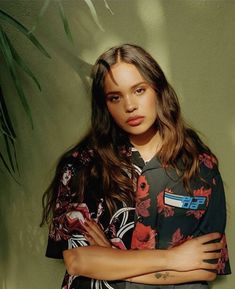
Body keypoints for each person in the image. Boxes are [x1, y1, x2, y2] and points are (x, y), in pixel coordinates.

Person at [41, 44, 231, 289]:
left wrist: (112, 259)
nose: (129, 106)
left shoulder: (200, 166)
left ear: (158, 89)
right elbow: (78, 261)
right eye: (115, 97)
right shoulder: (82, 166)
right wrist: (174, 259)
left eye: (139, 90)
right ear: (104, 105)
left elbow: (205, 269)